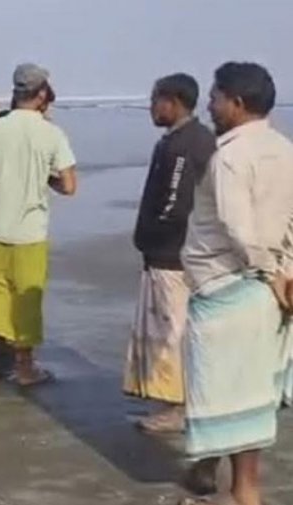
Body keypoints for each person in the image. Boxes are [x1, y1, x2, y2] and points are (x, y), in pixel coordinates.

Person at [179, 62, 293, 505]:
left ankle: (244, 492)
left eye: (216, 97)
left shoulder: (229, 156)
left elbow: (239, 229)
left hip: (231, 287)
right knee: (244, 389)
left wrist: (269, 272)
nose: (209, 105)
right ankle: (207, 468)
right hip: (269, 287)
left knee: (229, 394)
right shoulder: (284, 149)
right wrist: (287, 273)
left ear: (237, 103)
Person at [0, 64, 77, 385]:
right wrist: (44, 177)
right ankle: (25, 366)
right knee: (26, 296)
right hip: (29, 230)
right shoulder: (52, 133)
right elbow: (69, 186)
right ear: (41, 95)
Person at [122, 74, 216, 434]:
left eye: (155, 100)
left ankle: (178, 406)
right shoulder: (191, 140)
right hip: (179, 252)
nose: (151, 108)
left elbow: (175, 204)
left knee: (172, 330)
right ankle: (179, 399)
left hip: (173, 255)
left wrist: (153, 237)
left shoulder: (183, 146)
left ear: (173, 102)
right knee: (178, 328)